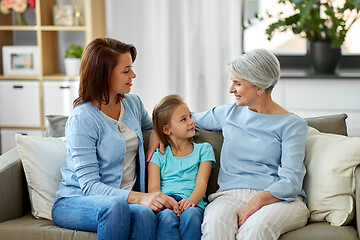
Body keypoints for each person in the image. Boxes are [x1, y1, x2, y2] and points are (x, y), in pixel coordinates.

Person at [147, 49, 310, 240]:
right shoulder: (229, 113)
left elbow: (291, 181)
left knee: (255, 230)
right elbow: (177, 120)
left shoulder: (292, 125)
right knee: (214, 226)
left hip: (278, 199)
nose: (231, 89)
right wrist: (156, 133)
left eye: (238, 83)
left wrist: (258, 200)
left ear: (260, 87)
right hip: (229, 196)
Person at [51, 37, 179, 240]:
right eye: (126, 70)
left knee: (145, 213)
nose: (133, 75)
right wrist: (141, 197)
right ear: (104, 75)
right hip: (75, 201)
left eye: (132, 68)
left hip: (122, 201)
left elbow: (154, 123)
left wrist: (156, 132)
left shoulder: (133, 104)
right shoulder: (82, 118)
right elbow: (90, 186)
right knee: (116, 206)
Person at [148, 94, 215, 240]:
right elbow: (153, 189)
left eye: (190, 115)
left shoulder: (204, 150)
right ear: (166, 130)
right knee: (166, 217)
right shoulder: (158, 156)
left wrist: (191, 201)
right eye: (183, 119)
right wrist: (168, 203)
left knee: (191, 215)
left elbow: (201, 183)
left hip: (193, 202)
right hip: (166, 203)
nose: (191, 122)